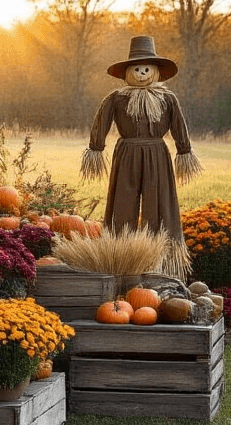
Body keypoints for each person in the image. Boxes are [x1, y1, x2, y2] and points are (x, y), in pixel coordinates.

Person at [80, 35, 201, 278]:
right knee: (122, 203)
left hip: (157, 154)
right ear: (127, 71)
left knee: (160, 205)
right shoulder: (116, 98)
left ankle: (160, 262)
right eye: (137, 68)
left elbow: (179, 126)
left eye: (147, 68)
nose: (142, 73)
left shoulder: (167, 98)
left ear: (155, 71)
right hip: (127, 155)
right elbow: (100, 123)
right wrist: (96, 148)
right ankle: (121, 259)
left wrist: (184, 151)